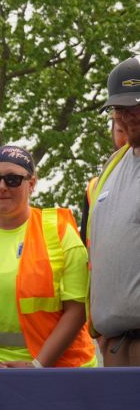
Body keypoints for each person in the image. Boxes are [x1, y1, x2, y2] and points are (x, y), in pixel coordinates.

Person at [0, 145, 96, 368]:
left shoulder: (59, 230)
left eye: (13, 179)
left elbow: (77, 309)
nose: (2, 187)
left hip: (63, 374)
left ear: (32, 183)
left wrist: (37, 365)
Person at [88, 55, 140, 366]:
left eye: (136, 106)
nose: (127, 115)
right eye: (119, 108)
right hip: (115, 345)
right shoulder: (113, 166)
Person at [79, 113, 128, 244]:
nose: (129, 137)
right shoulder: (94, 187)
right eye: (121, 130)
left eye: (135, 128)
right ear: (112, 132)